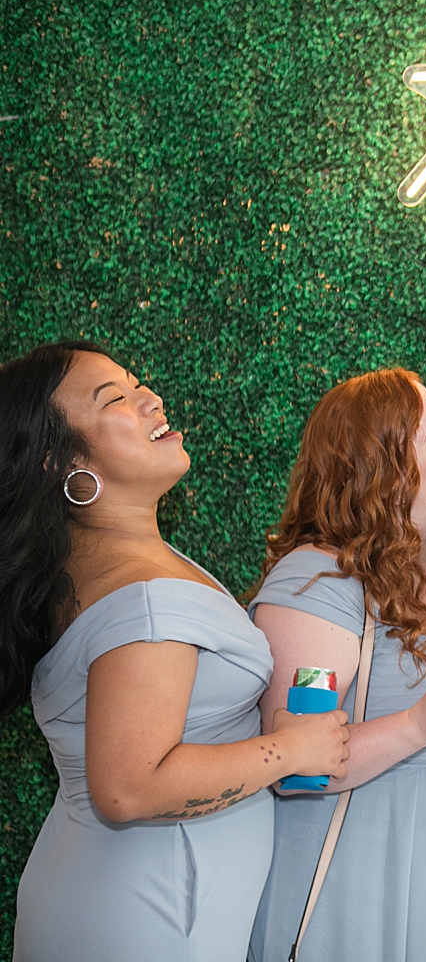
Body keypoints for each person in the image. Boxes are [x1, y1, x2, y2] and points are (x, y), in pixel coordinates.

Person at [4, 342, 349, 962]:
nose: (150, 399)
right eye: (115, 398)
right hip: (151, 911)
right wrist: (292, 749)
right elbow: (130, 787)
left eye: (137, 381)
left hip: (123, 892)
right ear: (60, 462)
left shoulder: (103, 569)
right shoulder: (147, 599)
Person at [247, 369, 426, 962]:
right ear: (384, 474)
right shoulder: (318, 583)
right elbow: (298, 768)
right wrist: (420, 723)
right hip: (362, 881)